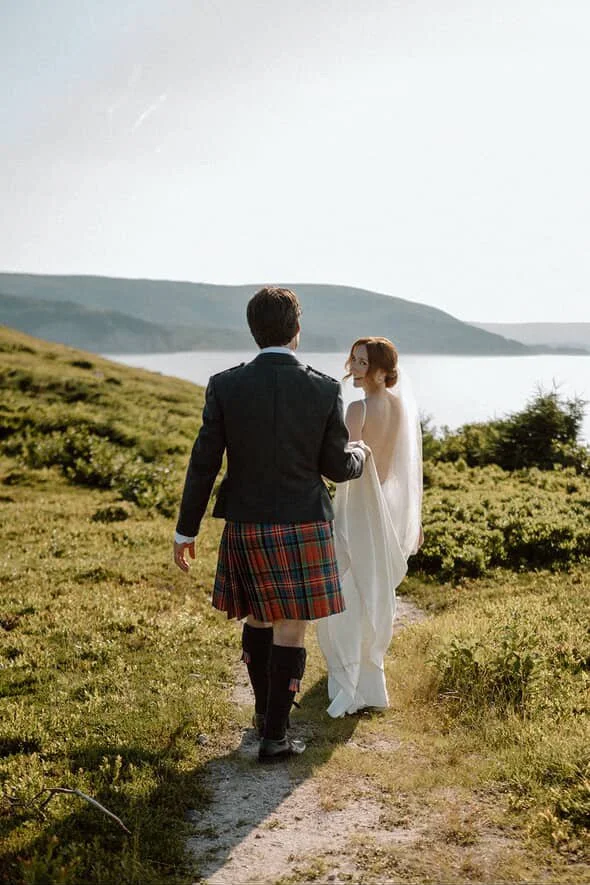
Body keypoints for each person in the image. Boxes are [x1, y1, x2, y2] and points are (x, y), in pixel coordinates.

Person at [173, 287, 369, 761]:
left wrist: (187, 529)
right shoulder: (324, 388)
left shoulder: (225, 385)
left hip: (246, 522)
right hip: (302, 522)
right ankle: (275, 737)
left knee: (259, 617)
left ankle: (265, 717)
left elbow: (204, 462)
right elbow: (335, 467)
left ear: (254, 331)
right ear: (296, 331)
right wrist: (360, 457)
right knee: (291, 627)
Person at [316, 337, 423, 717]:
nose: (355, 368)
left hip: (356, 505)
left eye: (363, 363)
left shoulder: (357, 410)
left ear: (381, 370)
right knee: (373, 587)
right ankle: (368, 676)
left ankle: (348, 676)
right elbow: (403, 471)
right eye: (354, 360)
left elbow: (347, 468)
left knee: (347, 583)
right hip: (386, 506)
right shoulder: (400, 408)